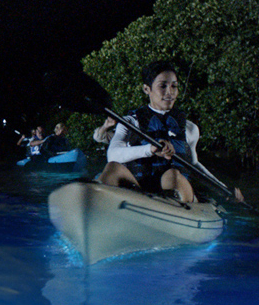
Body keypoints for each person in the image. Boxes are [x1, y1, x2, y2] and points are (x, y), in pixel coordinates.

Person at [98, 60, 244, 203]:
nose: (170, 92)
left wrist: (222, 188)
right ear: (146, 89)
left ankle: (175, 206)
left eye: (174, 86)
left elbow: (193, 164)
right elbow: (113, 155)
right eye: (163, 86)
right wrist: (150, 149)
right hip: (140, 185)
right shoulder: (130, 122)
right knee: (112, 168)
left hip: (174, 186)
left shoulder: (190, 128)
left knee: (172, 175)